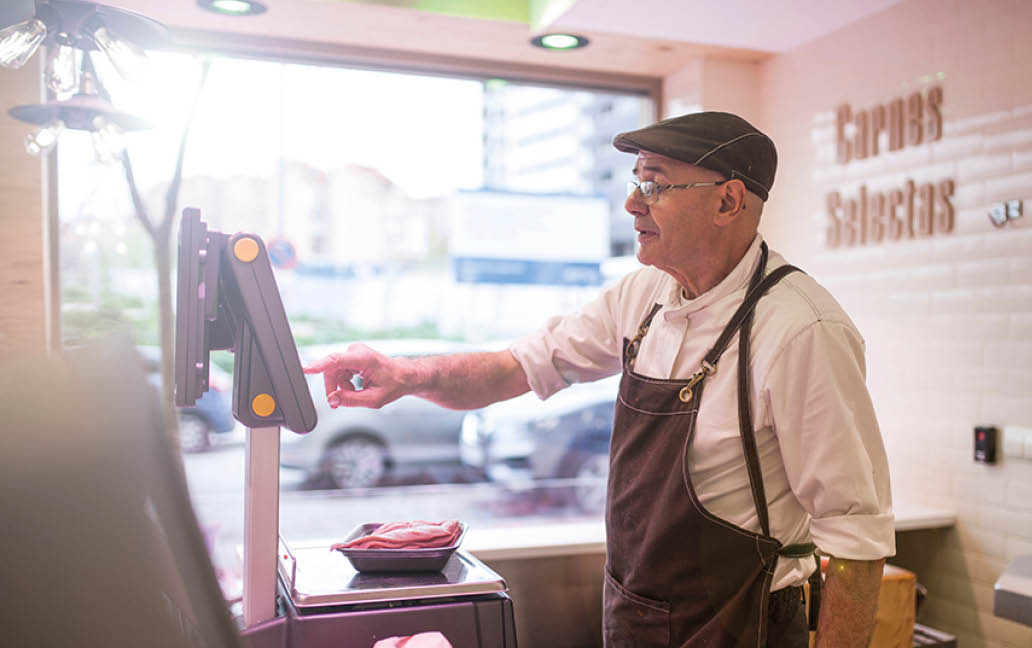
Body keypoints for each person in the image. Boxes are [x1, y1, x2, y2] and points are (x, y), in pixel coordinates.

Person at [304, 111, 895, 648]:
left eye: (656, 184)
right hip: (635, 616)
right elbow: (517, 366)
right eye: (635, 182)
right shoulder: (643, 297)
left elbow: (855, 539)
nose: (633, 204)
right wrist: (405, 375)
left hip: (746, 628)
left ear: (729, 200)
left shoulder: (801, 330)